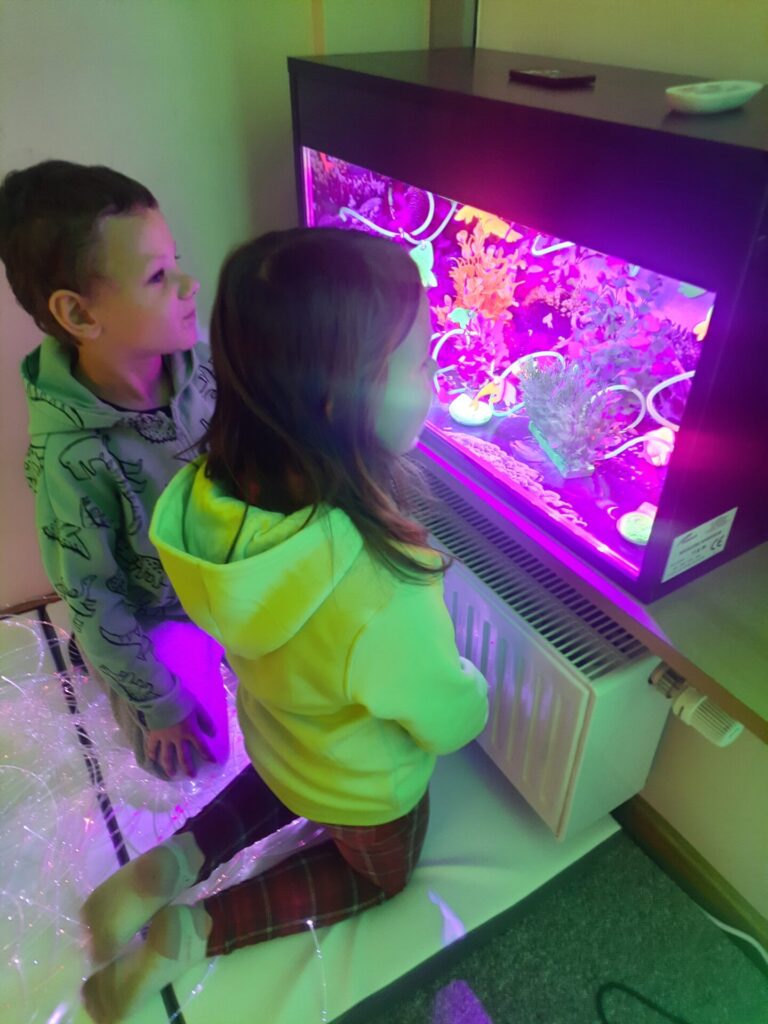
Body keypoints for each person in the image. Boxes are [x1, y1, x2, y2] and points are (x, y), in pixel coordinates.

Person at [79, 227, 489, 1022]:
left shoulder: (207, 496)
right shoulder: (384, 584)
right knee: (379, 876)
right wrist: (472, 689)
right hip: (364, 791)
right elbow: (446, 717)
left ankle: (164, 867)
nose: (436, 380)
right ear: (342, 400)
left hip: (275, 741)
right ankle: (194, 930)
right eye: (421, 364)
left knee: (284, 782)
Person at [0, 160, 228, 780]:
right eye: (158, 276)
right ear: (79, 316)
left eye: (176, 262)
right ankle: (129, 686)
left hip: (227, 582)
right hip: (158, 617)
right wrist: (160, 705)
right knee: (194, 759)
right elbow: (92, 595)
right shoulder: (70, 460)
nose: (190, 284)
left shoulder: (201, 366)